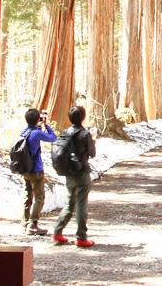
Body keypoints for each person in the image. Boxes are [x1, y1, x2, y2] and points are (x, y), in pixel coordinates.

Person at [51, 106, 97, 247]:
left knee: (69, 204)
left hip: (69, 173)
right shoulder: (84, 134)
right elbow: (92, 153)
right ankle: (81, 237)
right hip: (81, 173)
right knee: (81, 204)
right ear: (82, 117)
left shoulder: (65, 132)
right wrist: (93, 138)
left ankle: (57, 232)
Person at [20, 108, 57, 235]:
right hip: (36, 170)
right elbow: (53, 138)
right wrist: (46, 124)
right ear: (37, 119)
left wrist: (38, 127)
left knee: (27, 194)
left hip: (25, 169)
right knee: (39, 196)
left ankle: (25, 222)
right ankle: (33, 223)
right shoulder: (36, 133)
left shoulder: (24, 132)